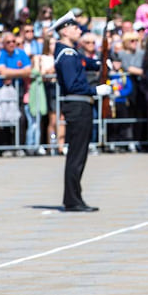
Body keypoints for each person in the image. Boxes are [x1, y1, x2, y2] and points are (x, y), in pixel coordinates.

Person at [52, 11, 111, 212]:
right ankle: (72, 200)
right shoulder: (66, 54)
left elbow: (85, 64)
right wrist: (95, 89)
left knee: (79, 154)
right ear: (65, 30)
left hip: (80, 105)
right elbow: (71, 84)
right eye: (75, 27)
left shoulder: (71, 52)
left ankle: (73, 198)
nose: (79, 30)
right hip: (77, 105)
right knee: (76, 155)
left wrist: (102, 63)